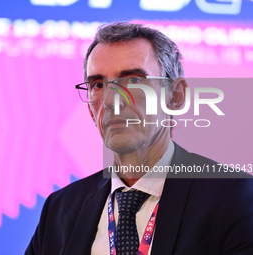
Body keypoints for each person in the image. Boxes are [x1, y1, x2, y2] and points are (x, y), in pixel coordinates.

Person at [25, 22, 253, 255]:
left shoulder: (234, 196)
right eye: (97, 85)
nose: (112, 101)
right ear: (90, 111)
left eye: (133, 81)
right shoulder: (60, 209)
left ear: (175, 97)